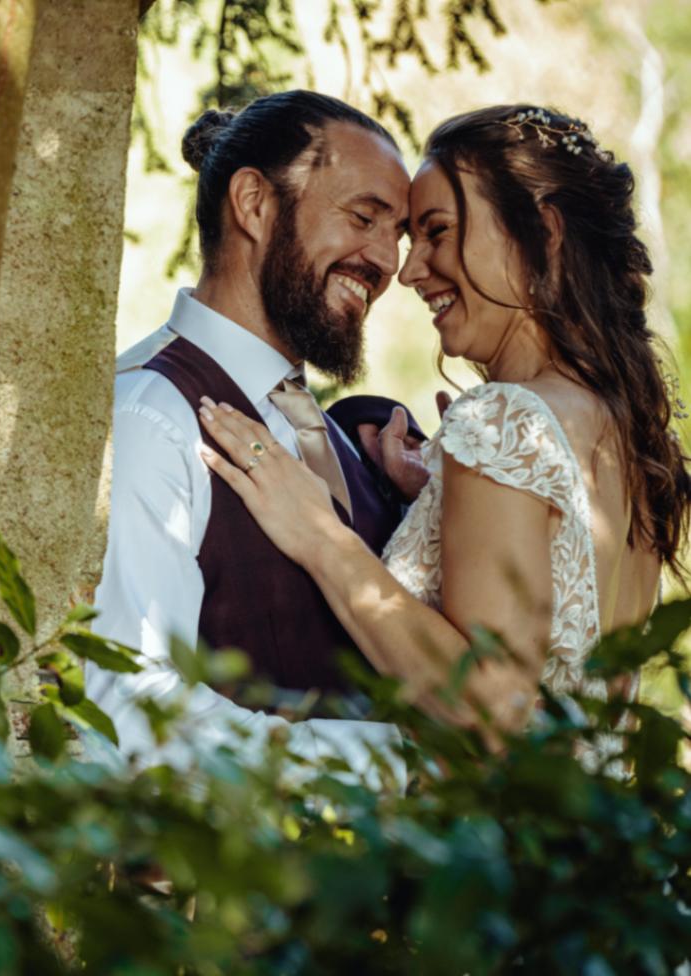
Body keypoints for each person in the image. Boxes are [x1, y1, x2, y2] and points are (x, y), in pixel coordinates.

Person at [196, 105, 691, 767]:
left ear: (539, 234)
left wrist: (321, 537)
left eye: (436, 232)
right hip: (589, 847)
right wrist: (438, 502)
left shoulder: (504, 420)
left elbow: (491, 711)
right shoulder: (621, 428)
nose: (408, 270)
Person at [88, 90, 427, 781]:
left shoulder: (333, 435)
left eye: (398, 234)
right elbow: (132, 713)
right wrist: (404, 767)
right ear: (253, 204)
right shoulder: (150, 416)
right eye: (364, 218)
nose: (386, 261)